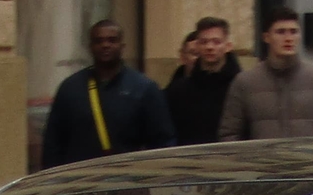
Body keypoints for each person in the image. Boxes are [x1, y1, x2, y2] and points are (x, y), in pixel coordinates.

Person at [42, 20, 176, 167]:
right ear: (90, 47)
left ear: (122, 46)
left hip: (128, 180)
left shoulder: (144, 88)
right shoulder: (70, 88)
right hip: (80, 180)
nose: (105, 45)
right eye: (99, 41)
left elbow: (162, 142)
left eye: (112, 40)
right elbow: (53, 143)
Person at [216, 8, 313, 139]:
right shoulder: (245, 82)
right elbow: (229, 134)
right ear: (266, 37)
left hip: (310, 160)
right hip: (264, 160)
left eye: (293, 32)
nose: (288, 38)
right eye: (281, 32)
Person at [164, 15, 242, 145]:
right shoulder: (178, 91)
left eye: (216, 42)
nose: (209, 47)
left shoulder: (241, 87)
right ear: (197, 45)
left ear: (228, 46)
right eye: (204, 42)